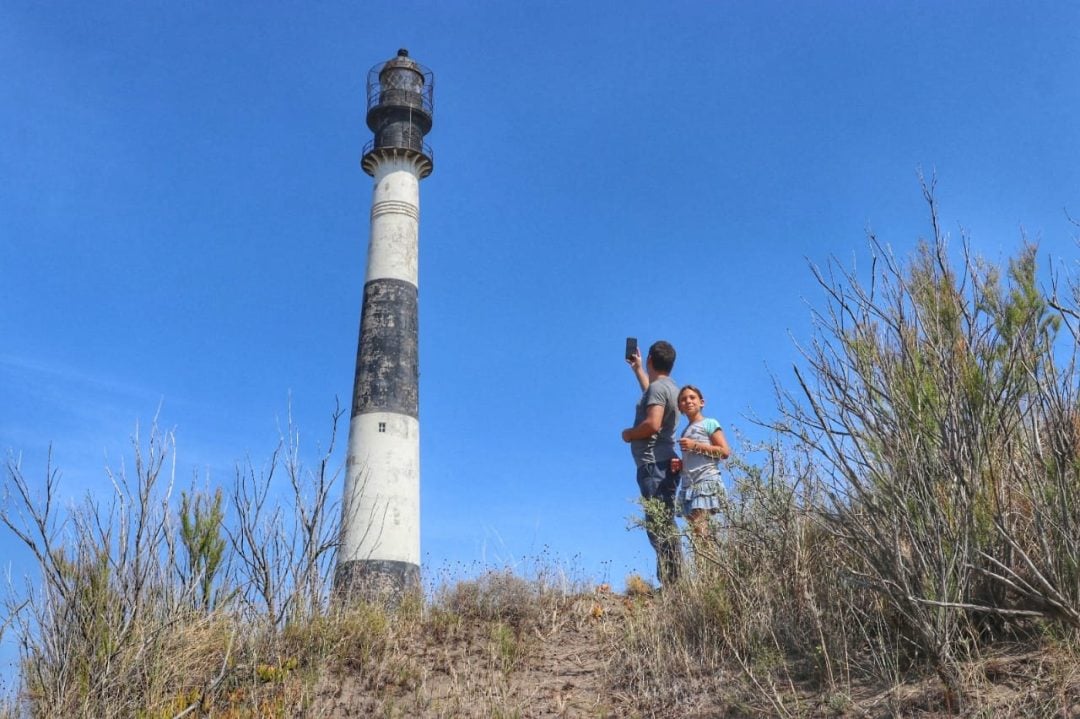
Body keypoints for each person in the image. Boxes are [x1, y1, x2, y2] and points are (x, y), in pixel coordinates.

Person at [621, 340, 682, 586]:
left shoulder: (658, 390)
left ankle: (673, 583)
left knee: (659, 523)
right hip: (662, 462)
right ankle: (673, 581)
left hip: (654, 463)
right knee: (662, 518)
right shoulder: (669, 388)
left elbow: (653, 424)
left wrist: (629, 434)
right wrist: (638, 370)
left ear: (650, 359)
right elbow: (652, 395)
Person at [675, 384, 731, 559]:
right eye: (683, 399)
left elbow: (724, 451)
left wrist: (695, 446)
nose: (688, 401)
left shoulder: (710, 423)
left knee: (701, 528)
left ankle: (711, 569)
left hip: (706, 479)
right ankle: (709, 570)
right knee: (697, 531)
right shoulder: (685, 430)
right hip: (689, 485)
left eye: (692, 397)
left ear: (702, 402)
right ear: (680, 407)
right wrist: (679, 465)